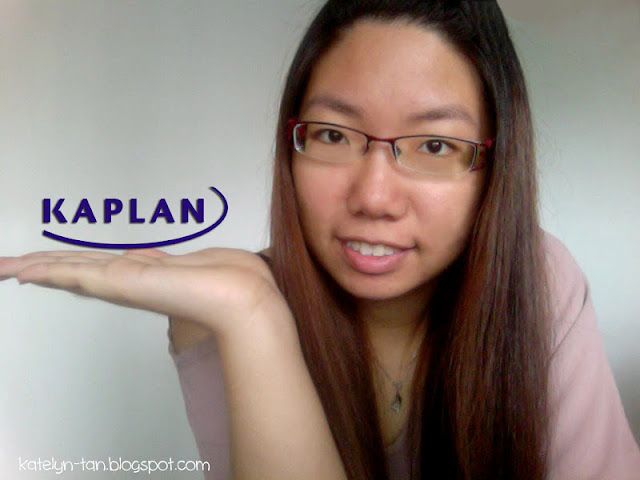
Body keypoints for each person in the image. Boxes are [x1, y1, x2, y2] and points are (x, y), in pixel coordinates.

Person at [1, 1, 639, 479]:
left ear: (494, 168)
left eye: (435, 145)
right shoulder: (219, 309)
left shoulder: (539, 281)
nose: (374, 197)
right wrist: (253, 319)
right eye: (333, 135)